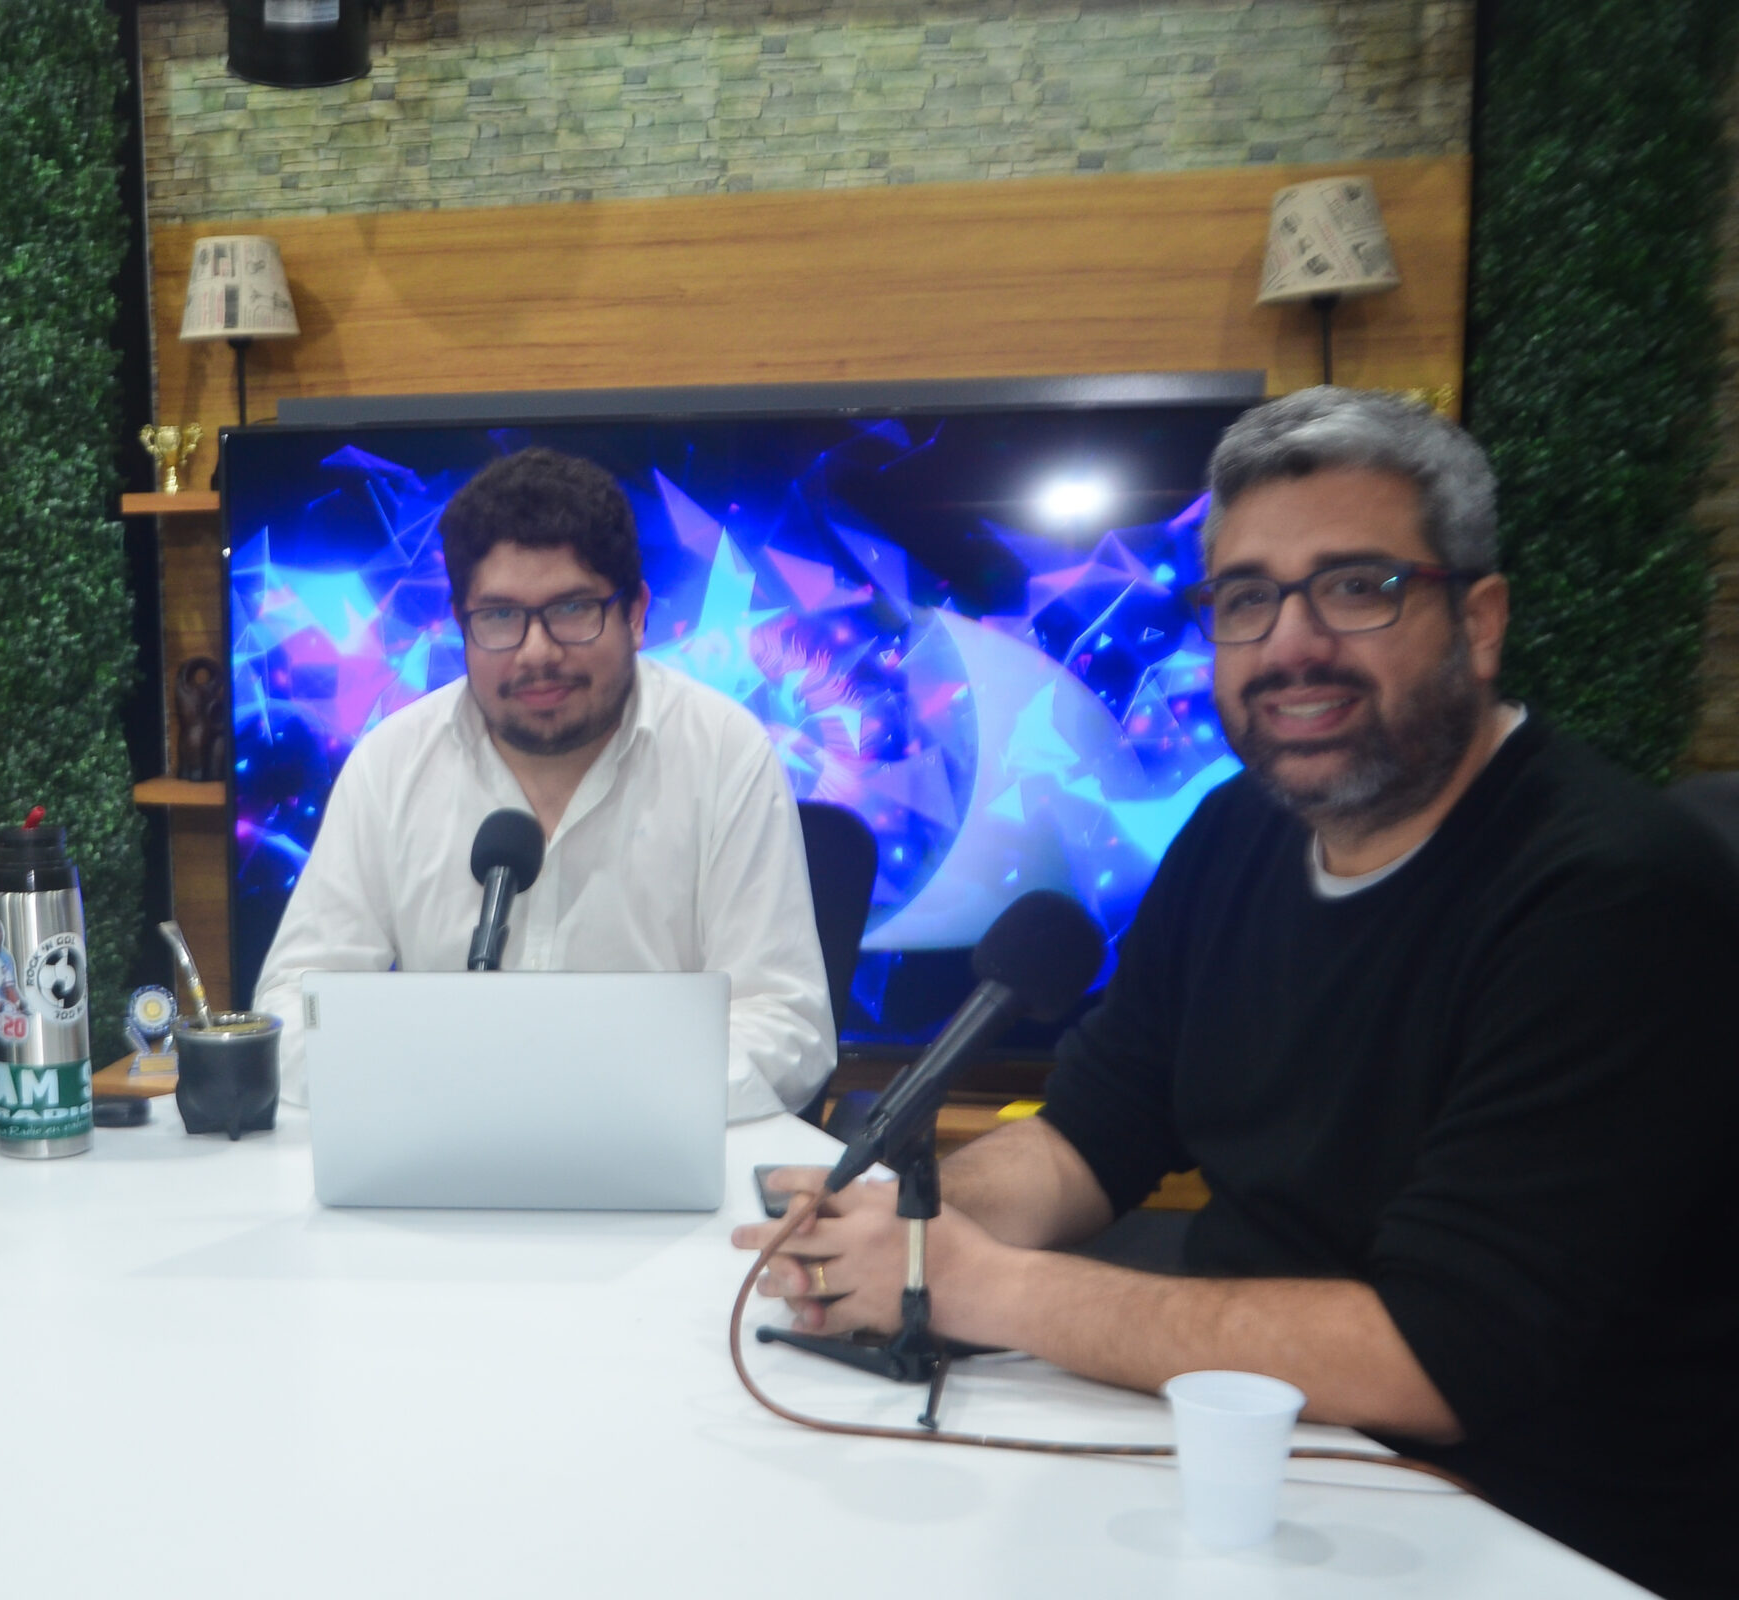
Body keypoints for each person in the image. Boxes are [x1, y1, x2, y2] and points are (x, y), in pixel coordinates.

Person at [734, 388, 1739, 1599]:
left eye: (1356, 585)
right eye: (1247, 598)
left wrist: (984, 1283)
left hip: (1525, 1527)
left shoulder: (1610, 895)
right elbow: (1089, 1137)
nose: (1290, 644)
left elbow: (1440, 1355)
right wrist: (898, 1221)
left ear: (1478, 623)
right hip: (1256, 1457)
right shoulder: (1237, 831)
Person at [254, 446, 832, 1119]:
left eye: (572, 609)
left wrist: (579, 1095)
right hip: (441, 1146)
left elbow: (787, 1026)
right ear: (461, 625)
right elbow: (292, 1011)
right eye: (500, 616)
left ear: (636, 613)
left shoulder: (726, 754)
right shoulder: (390, 764)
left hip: (648, 1149)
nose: (537, 652)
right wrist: (439, 1087)